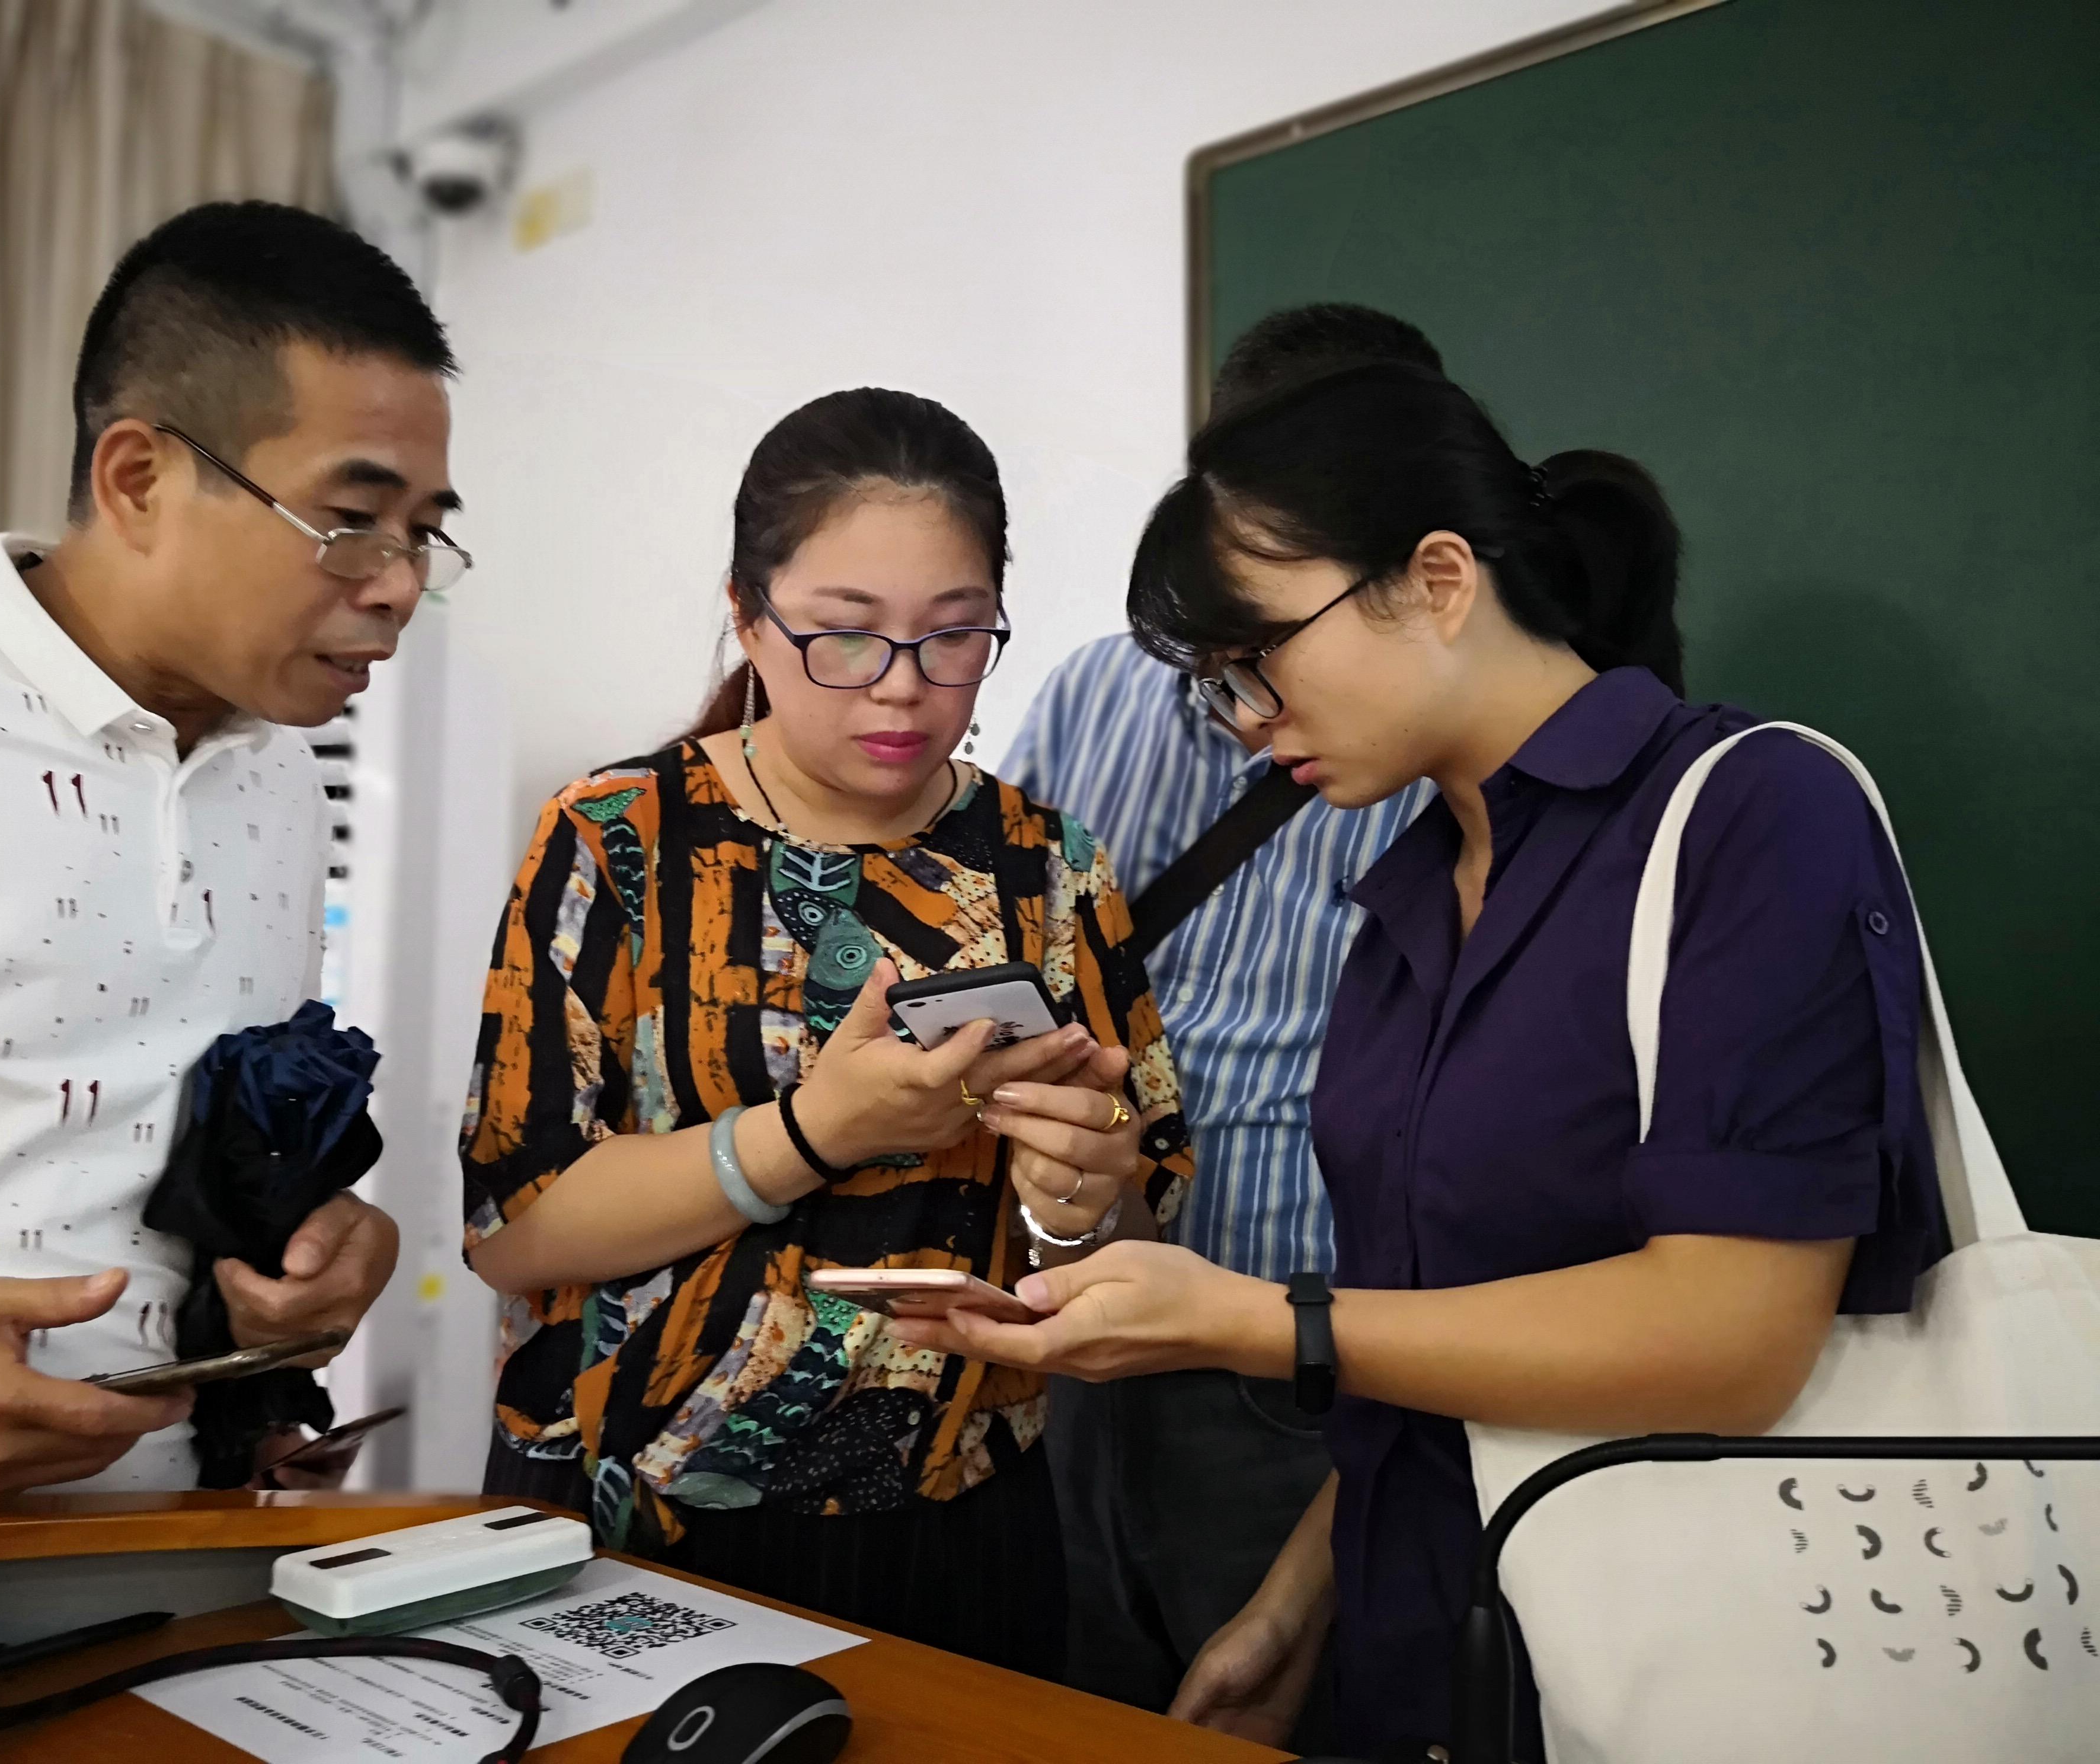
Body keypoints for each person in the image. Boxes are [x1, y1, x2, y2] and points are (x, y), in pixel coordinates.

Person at [894, 360, 1945, 1758]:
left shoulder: (1753, 811)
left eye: (1259, 657)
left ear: (1438, 579)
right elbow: (1450, 1321)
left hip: (1670, 1660)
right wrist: (1294, 1603)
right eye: (1218, 684)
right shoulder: (1413, 891)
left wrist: (1250, 1320)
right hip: (1423, 1640)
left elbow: (1731, 1338)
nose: (1248, 719)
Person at [459, 387, 1193, 1679]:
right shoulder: (617, 840)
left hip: (960, 1526)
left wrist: (1080, 1200)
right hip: (635, 1524)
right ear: (747, 615)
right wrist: (809, 1134)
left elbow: (1131, 1226)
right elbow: (514, 1226)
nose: (902, 691)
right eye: (843, 639)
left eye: (955, 637)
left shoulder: (1048, 865)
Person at [0, 200, 457, 1498]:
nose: (399, 580)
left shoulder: (282, 783)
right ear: (139, 477)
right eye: (352, 519)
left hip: (155, 1568)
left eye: (423, 531)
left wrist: (299, 1261)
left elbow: (171, 1157)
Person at [1002, 303, 1437, 1749]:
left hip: (1308, 1363)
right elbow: (1006, 949)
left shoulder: (1447, 755)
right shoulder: (1088, 690)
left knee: (1285, 1707)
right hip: (1075, 1313)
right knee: (1084, 1707)